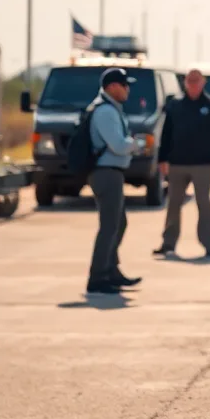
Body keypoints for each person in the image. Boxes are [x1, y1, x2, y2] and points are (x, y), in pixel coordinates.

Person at [154, 68, 210, 259]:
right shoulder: (175, 105)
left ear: (203, 83)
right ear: (185, 83)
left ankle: (208, 244)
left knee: (203, 203)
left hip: (203, 164)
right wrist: (162, 159)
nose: (193, 85)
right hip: (177, 163)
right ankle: (168, 243)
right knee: (173, 203)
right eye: (190, 82)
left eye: (197, 82)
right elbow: (166, 133)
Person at [86, 68, 142, 295]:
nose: (127, 89)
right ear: (111, 87)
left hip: (111, 172)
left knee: (118, 224)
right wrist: (136, 144)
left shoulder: (111, 109)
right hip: (105, 173)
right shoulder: (106, 112)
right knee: (109, 227)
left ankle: (111, 271)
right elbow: (117, 145)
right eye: (124, 84)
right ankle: (98, 277)